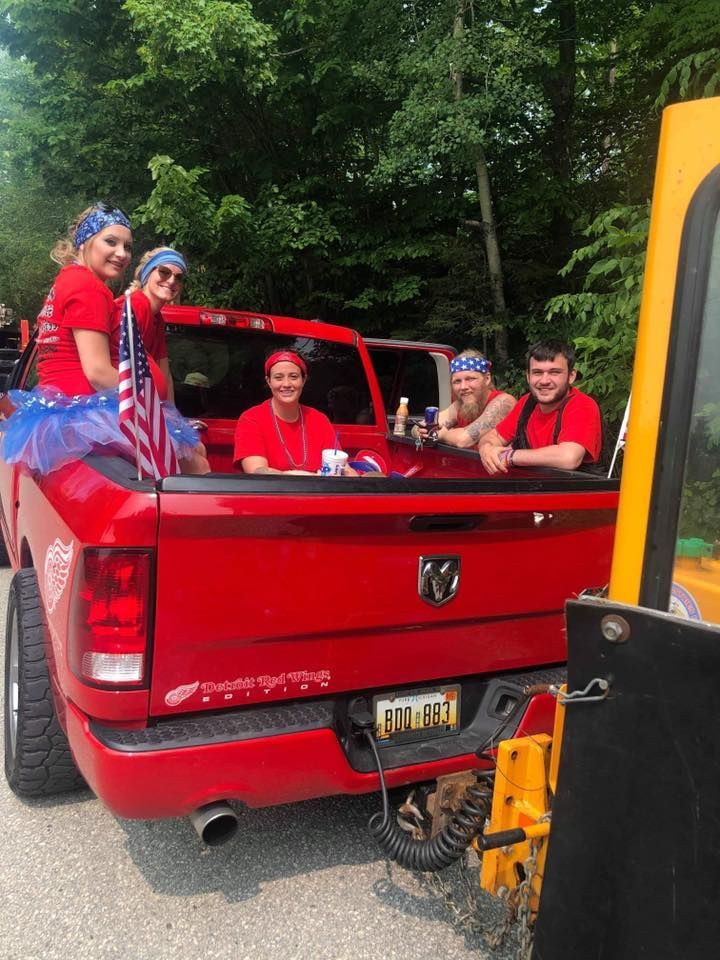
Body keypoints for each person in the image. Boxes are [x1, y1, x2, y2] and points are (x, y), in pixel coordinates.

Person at [0, 204, 207, 475]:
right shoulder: (90, 288)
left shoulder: (69, 279)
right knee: (195, 462)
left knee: (191, 454)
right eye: (111, 241)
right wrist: (151, 411)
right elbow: (98, 372)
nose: (122, 254)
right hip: (86, 412)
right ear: (85, 241)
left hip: (65, 410)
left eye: (128, 247)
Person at [479, 339, 602, 474]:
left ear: (571, 376)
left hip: (574, 492)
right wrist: (486, 449)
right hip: (534, 489)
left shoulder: (582, 405)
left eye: (554, 372)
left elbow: (569, 458)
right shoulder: (527, 403)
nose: (544, 381)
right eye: (537, 372)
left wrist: (510, 456)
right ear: (528, 376)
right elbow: (493, 436)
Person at [233, 351, 354, 475]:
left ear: (304, 379)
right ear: (269, 381)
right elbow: (258, 472)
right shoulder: (252, 419)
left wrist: (353, 476)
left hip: (319, 494)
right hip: (273, 493)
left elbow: (344, 468)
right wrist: (314, 478)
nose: (286, 384)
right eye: (278, 377)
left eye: (293, 377)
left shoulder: (319, 420)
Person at [124, 246, 188, 404]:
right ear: (147, 273)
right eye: (164, 272)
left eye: (178, 277)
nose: (172, 280)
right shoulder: (136, 306)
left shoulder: (157, 318)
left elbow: (164, 373)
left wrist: (172, 418)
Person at [411, 349, 515, 447]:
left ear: (487, 379)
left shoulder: (504, 402)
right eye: (457, 381)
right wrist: (421, 432)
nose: (463, 387)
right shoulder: (460, 405)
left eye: (470, 379)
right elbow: (417, 427)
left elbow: (463, 440)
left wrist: (439, 435)